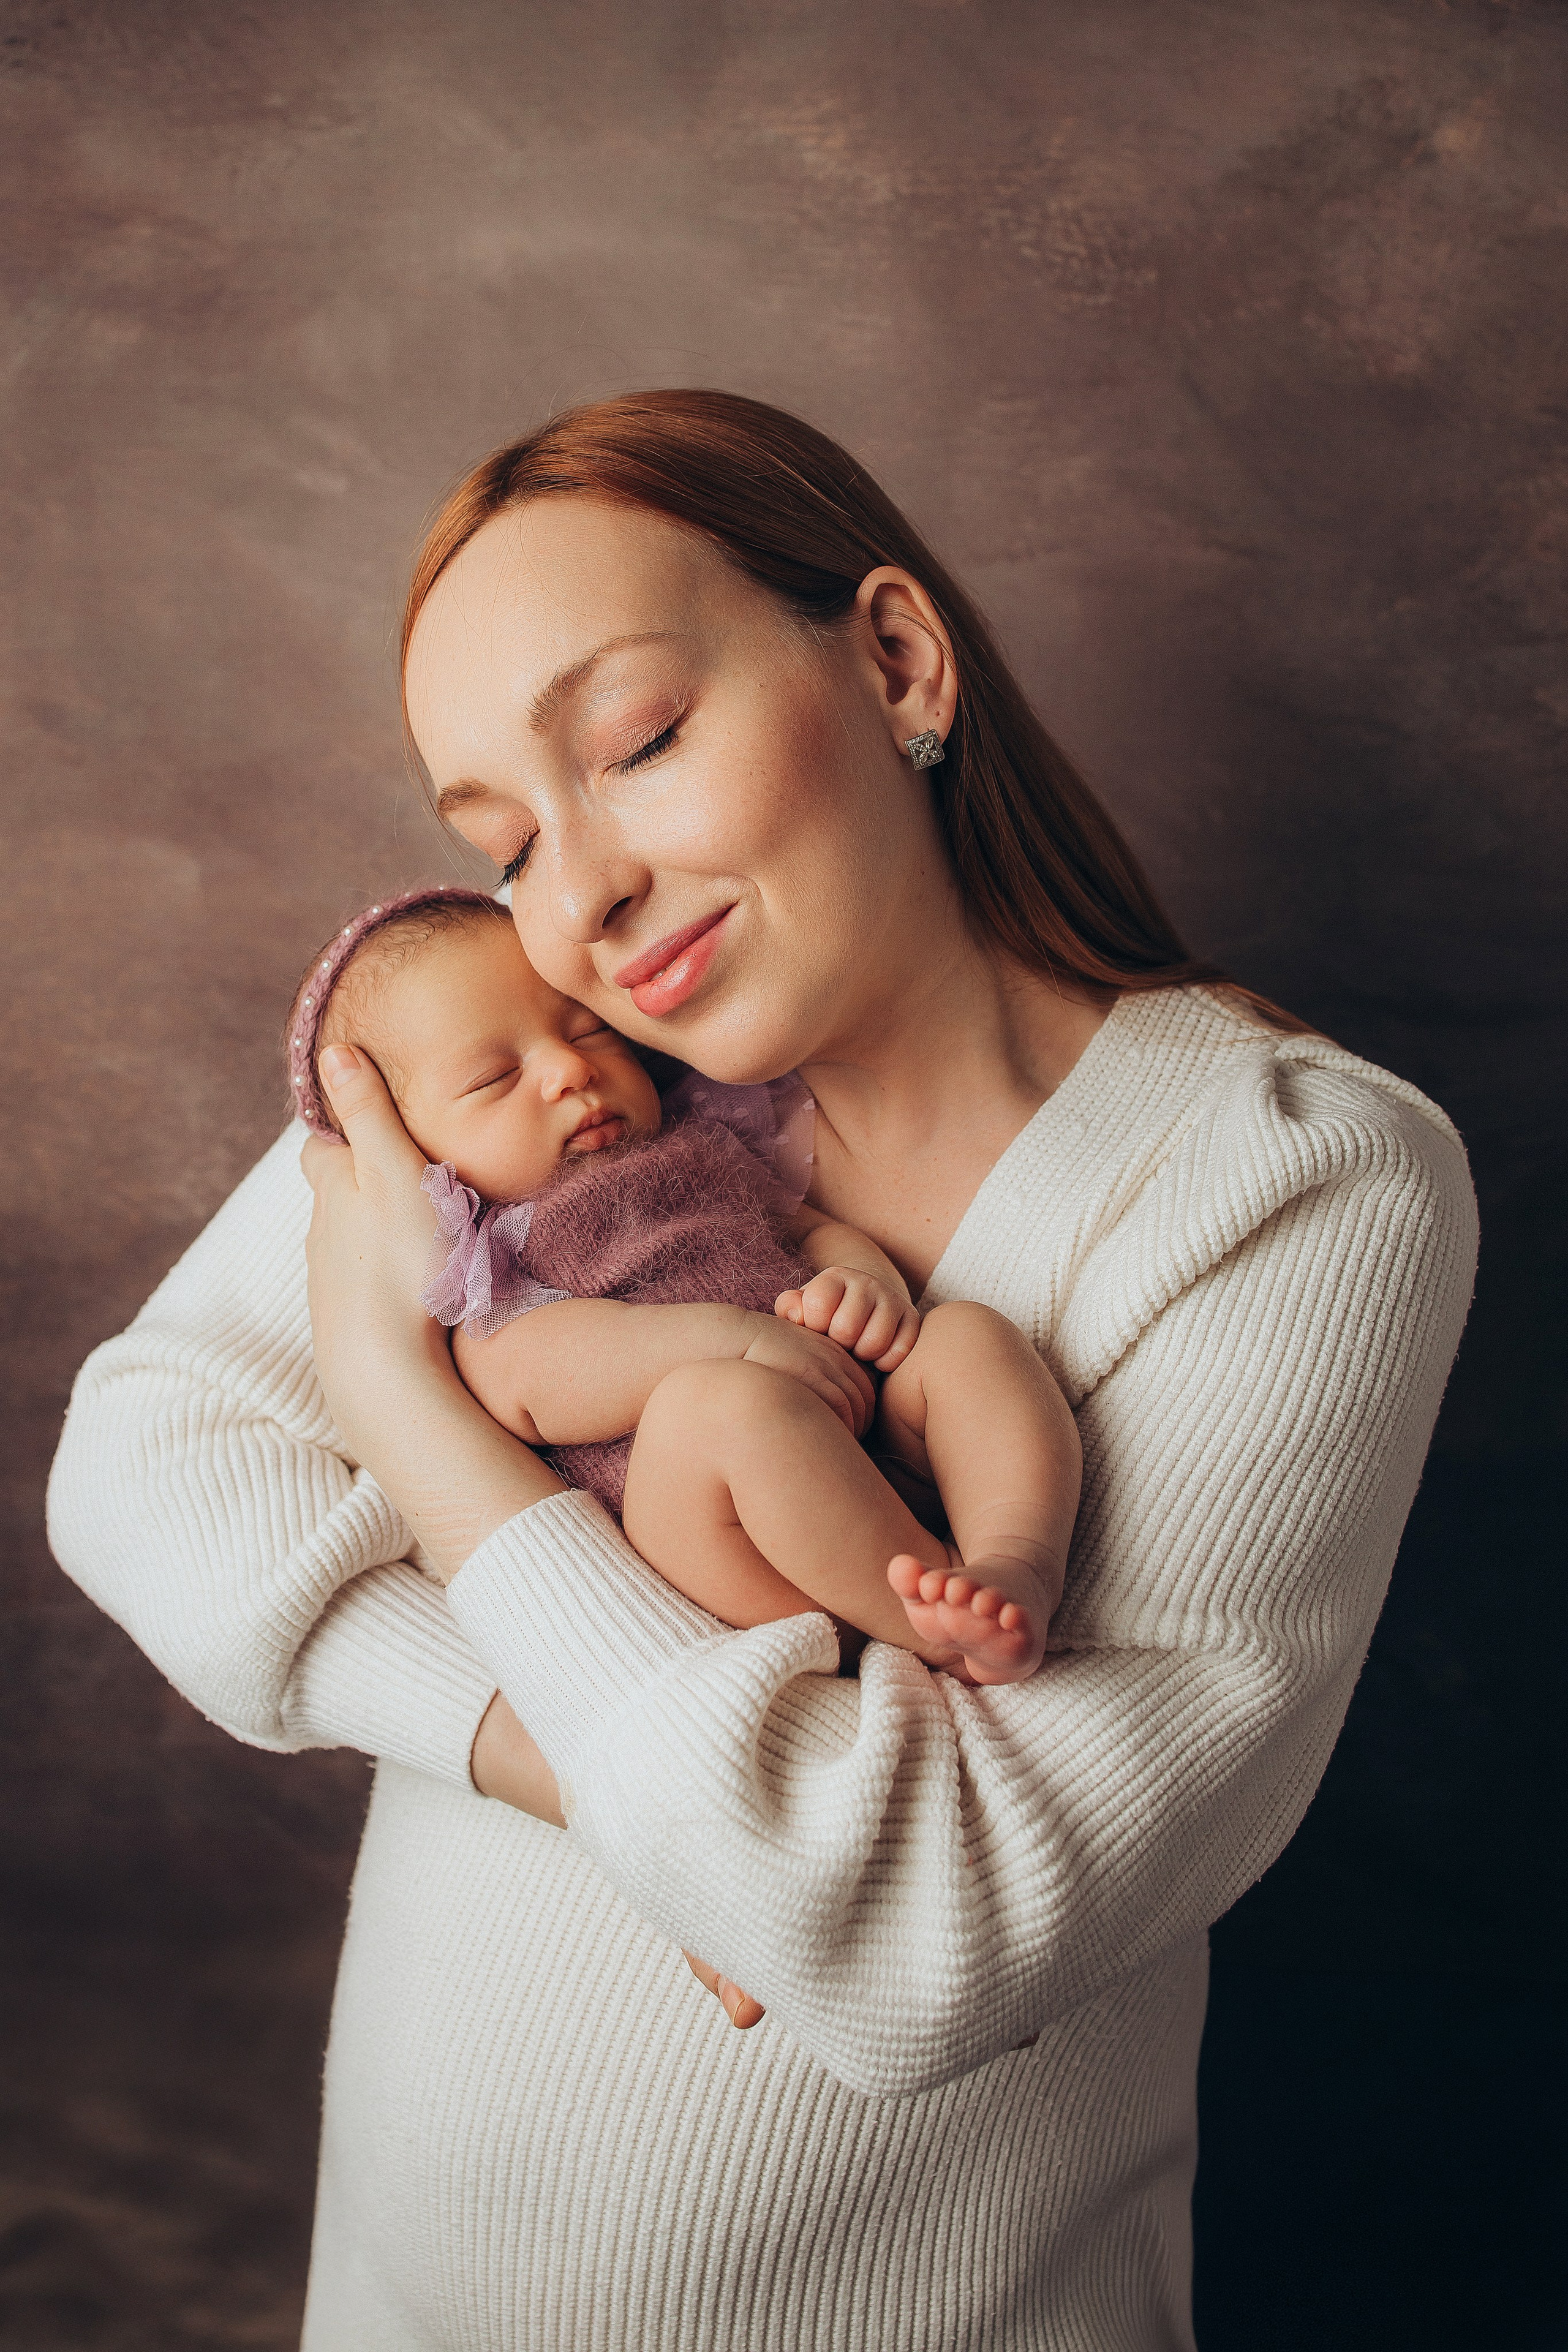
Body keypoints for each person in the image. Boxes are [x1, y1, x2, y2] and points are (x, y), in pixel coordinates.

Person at [48, 390, 1477, 2351]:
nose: (582, 898)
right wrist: (580, 1769)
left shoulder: (1295, 1180)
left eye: (635, 744)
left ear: (894, 658)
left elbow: (917, 1936)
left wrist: (407, 1414)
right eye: (502, 840)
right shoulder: (573, 1085)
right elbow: (145, 1459)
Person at [286, 884, 1079, 1679]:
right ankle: (936, 1630)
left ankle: (1013, 1563)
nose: (569, 1070)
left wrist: (861, 1281)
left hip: (865, 1436)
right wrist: (735, 1341)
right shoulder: (493, 1262)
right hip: (734, 1542)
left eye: (590, 1032)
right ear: (403, 1149)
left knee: (965, 1335)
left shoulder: (700, 1146)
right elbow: (533, 1380)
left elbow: (804, 1230)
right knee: (719, 1407)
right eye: (495, 1078)